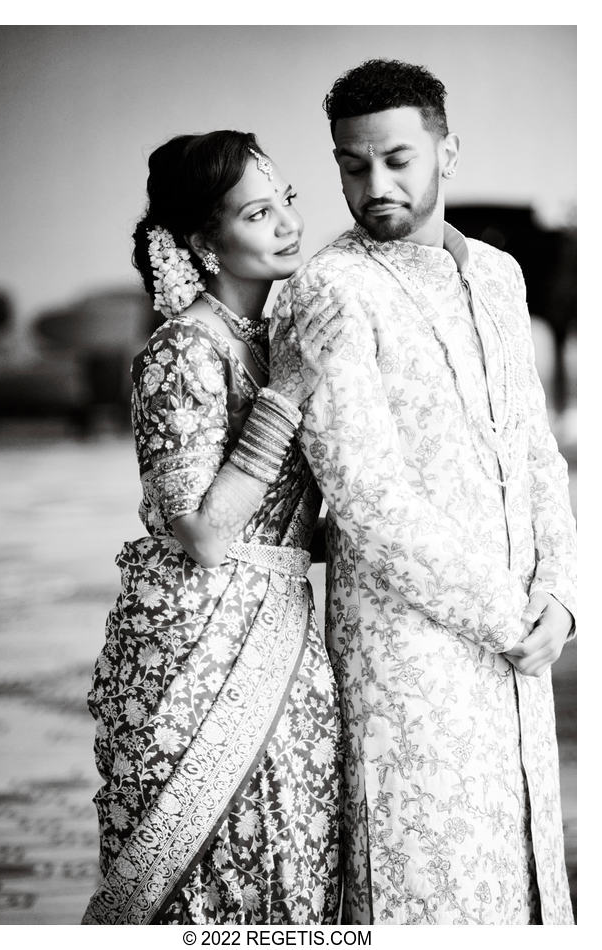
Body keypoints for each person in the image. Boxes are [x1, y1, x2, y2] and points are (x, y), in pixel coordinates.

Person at [271, 59, 576, 925]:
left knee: (518, 883)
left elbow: (534, 445)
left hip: (521, 642)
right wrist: (509, 616)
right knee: (426, 887)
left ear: (448, 151)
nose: (374, 185)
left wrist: (559, 591)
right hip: (410, 650)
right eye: (351, 164)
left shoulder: (500, 275)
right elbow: (365, 496)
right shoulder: (328, 289)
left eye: (398, 159)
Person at [82, 130, 342, 925]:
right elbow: (199, 532)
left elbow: (289, 525)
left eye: (287, 203)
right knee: (214, 865)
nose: (287, 224)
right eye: (258, 213)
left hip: (281, 628)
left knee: (293, 839)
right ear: (203, 243)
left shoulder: (267, 341)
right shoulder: (180, 353)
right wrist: (287, 397)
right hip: (196, 648)